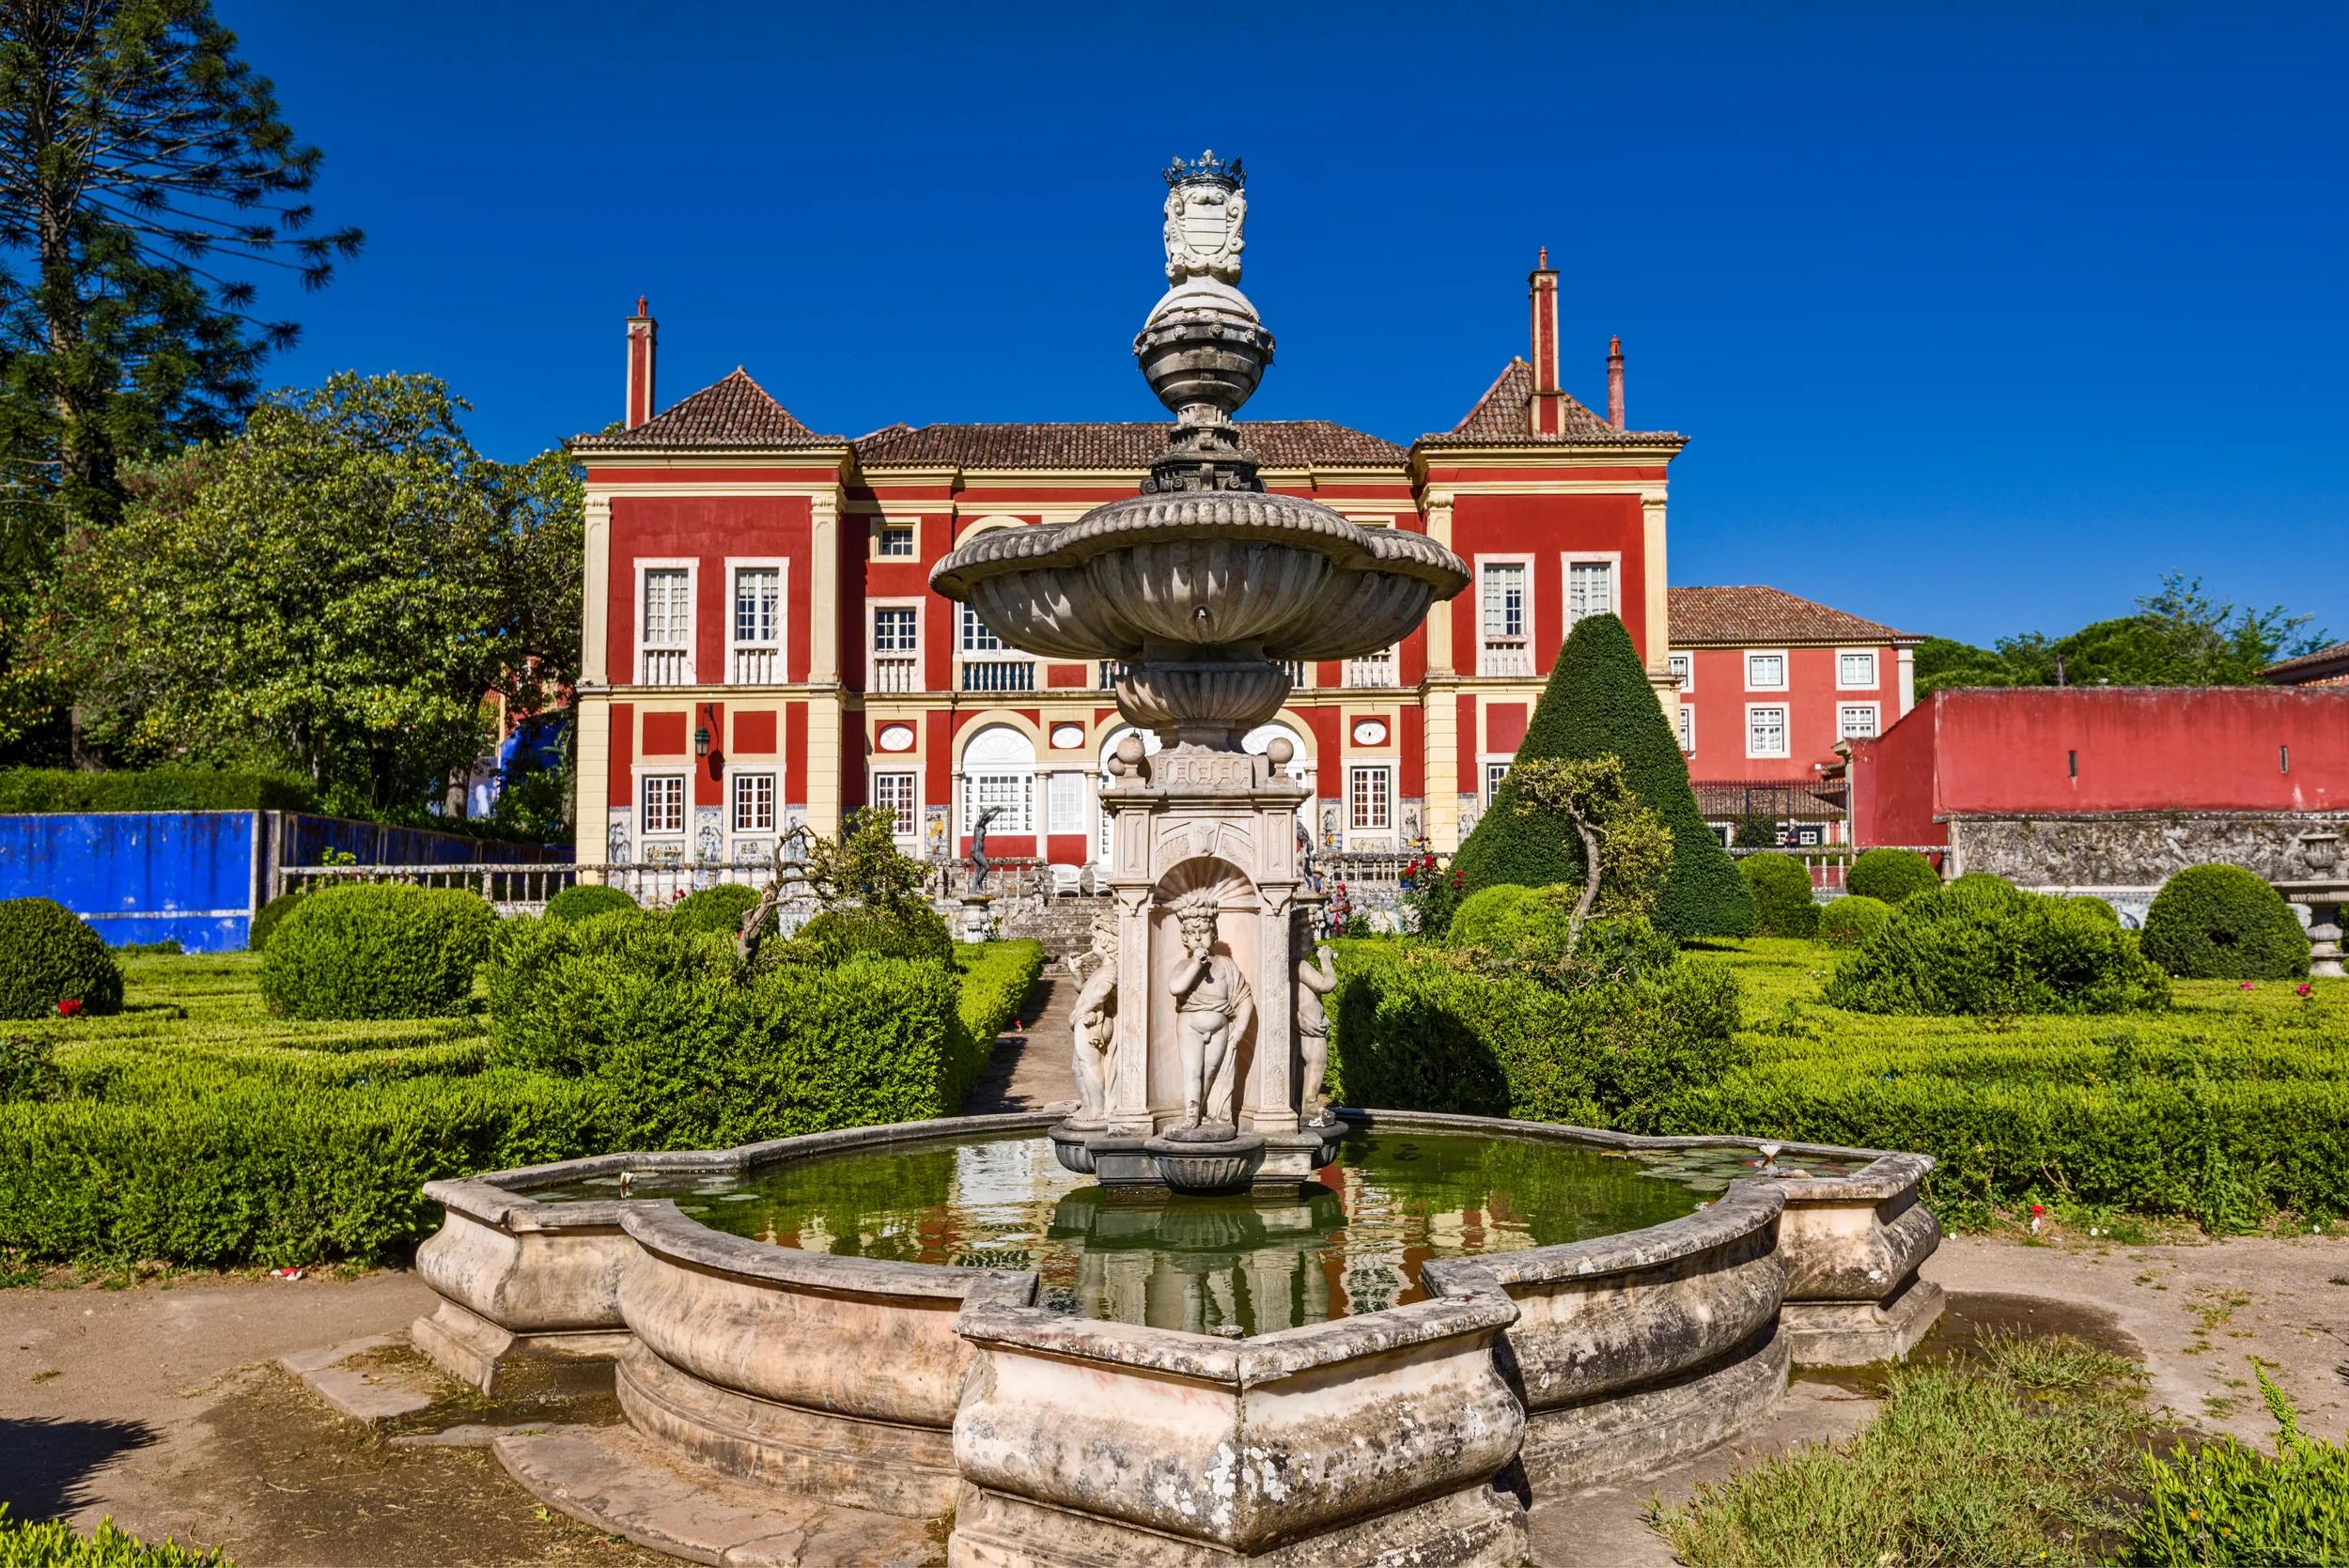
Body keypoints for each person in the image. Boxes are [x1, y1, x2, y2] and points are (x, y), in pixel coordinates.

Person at [1167, 891, 1253, 1131]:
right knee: (1193, 1071)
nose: (1198, 938)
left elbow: (1244, 998)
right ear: (1184, 939)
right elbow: (1176, 988)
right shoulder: (1184, 965)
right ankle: (1191, 1115)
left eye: (1203, 932)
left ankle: (1204, 1109)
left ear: (1214, 935)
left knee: (1211, 1072)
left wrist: (1240, 1031)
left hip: (1220, 1027)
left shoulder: (1226, 965)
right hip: (1190, 1025)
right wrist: (1196, 963)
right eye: (1192, 934)